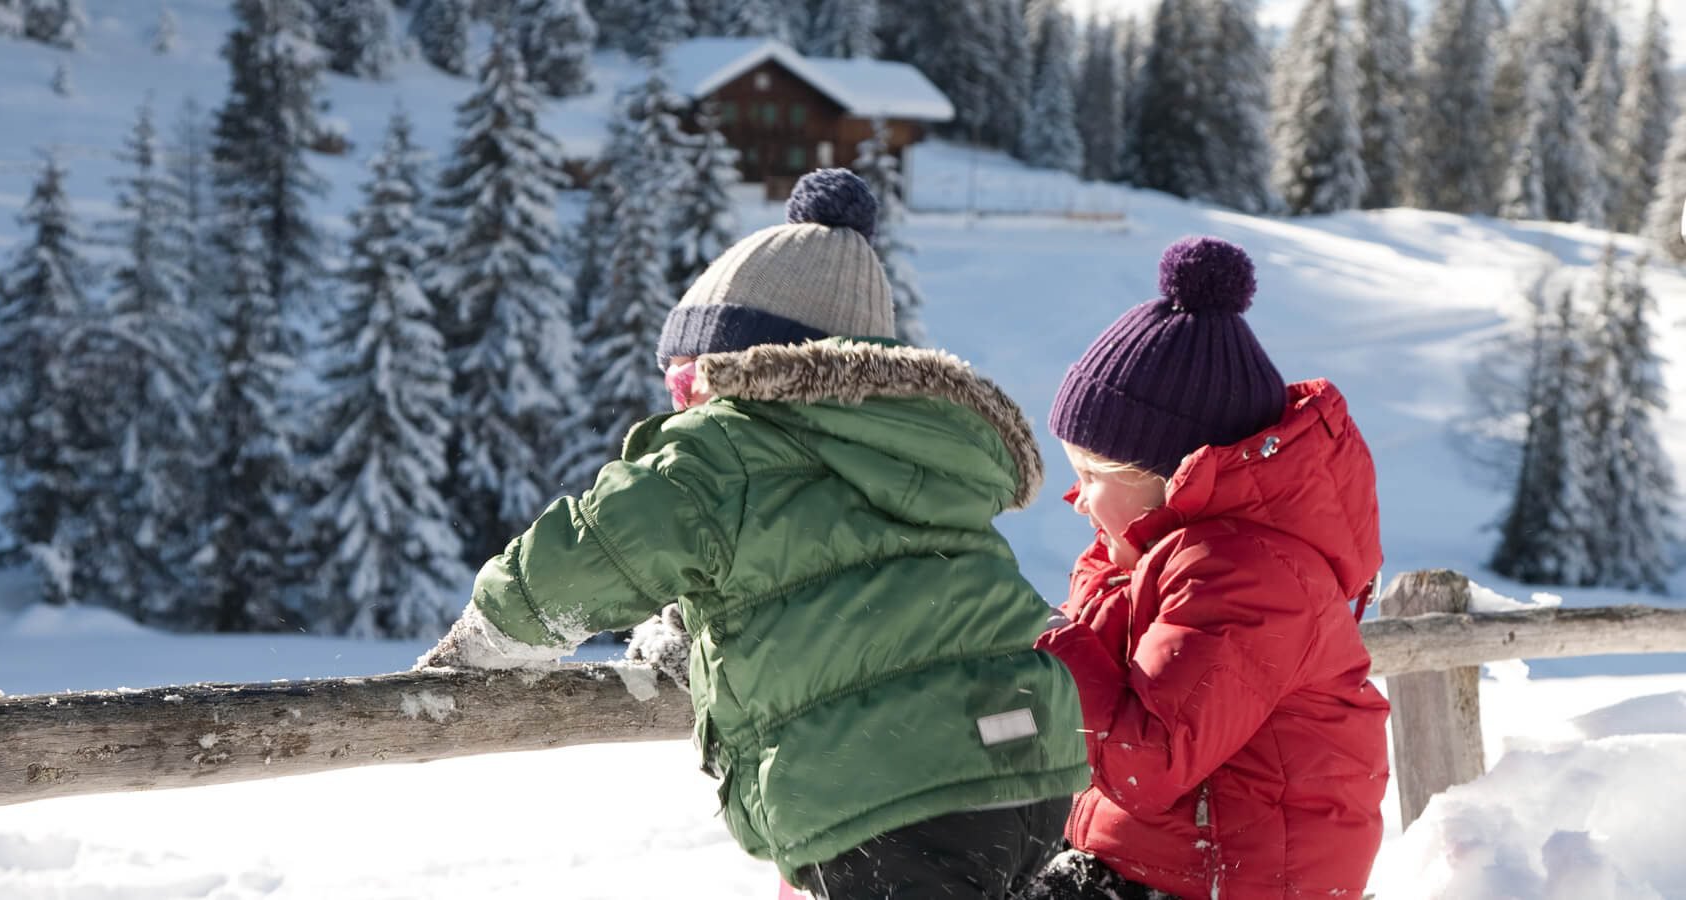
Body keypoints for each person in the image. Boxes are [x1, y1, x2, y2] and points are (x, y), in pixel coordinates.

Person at [417, 169, 1088, 898]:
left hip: (890, 787)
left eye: (682, 381)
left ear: (750, 368)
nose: (677, 402)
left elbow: (595, 551)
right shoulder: (920, 450)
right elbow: (842, 585)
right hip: (1034, 768)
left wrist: (485, 636)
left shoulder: (722, 450)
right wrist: (702, 644)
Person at [1028, 236, 1390, 900]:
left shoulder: (1248, 573)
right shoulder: (1138, 557)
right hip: (1163, 856)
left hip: (1235, 878)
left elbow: (1147, 760)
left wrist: (1039, 637)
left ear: (1169, 477)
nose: (1075, 498)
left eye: (1091, 475)